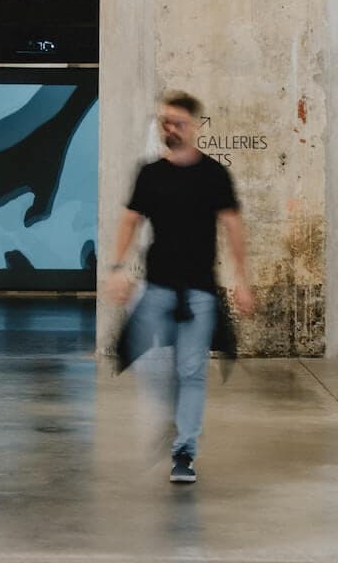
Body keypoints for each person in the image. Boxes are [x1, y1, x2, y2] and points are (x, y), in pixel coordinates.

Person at [107, 90, 254, 484]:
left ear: (195, 127)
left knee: (191, 372)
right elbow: (129, 221)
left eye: (177, 123)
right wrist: (119, 267)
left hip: (199, 293)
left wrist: (241, 280)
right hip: (155, 291)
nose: (169, 129)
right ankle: (174, 421)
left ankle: (184, 450)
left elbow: (233, 226)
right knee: (146, 365)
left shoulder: (213, 175)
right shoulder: (150, 174)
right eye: (164, 122)